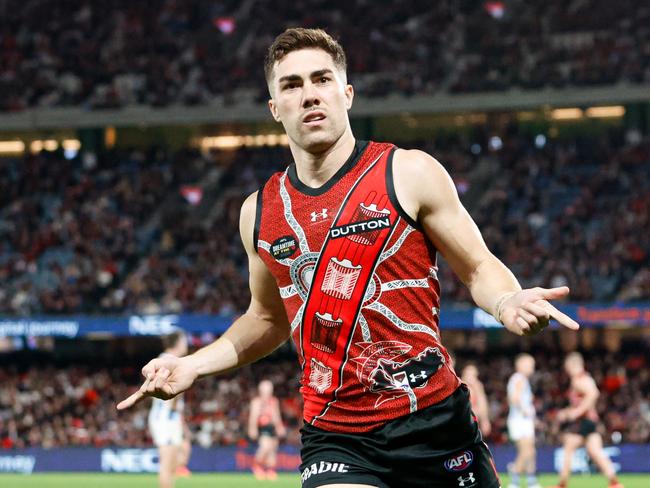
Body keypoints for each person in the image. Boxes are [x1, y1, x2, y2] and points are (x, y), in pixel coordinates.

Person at [118, 28, 580, 488]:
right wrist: (192, 365)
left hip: (436, 424)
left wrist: (505, 302)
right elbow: (266, 318)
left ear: (347, 93)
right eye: (291, 85)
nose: (309, 95)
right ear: (275, 108)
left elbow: (477, 266)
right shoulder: (259, 212)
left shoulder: (408, 172)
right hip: (336, 437)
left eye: (321, 79)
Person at [550, 353, 623, 488]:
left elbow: (593, 394)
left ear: (573, 365)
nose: (567, 371)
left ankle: (561, 485)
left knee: (569, 448)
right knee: (595, 452)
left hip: (584, 421)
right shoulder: (583, 379)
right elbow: (581, 401)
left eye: (567, 367)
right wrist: (567, 412)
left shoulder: (580, 380)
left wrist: (577, 412)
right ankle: (615, 483)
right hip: (589, 421)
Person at [147, 331, 191, 488]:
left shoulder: (170, 360)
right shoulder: (166, 361)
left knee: (175, 463)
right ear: (178, 343)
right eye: (185, 341)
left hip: (171, 417)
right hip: (164, 417)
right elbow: (170, 391)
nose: (187, 345)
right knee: (167, 464)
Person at [506, 354, 540, 488]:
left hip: (523, 420)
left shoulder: (520, 379)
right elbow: (514, 398)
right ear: (520, 365)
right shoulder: (519, 378)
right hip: (519, 420)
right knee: (526, 451)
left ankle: (532, 481)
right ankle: (514, 477)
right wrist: (525, 409)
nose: (532, 368)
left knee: (531, 450)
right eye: (530, 365)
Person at [248, 379, 287, 480]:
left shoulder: (274, 401)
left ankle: (270, 470)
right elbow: (253, 417)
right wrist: (252, 429)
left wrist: (279, 427)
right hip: (262, 427)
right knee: (265, 447)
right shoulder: (256, 402)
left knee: (272, 450)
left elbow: (276, 415)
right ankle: (256, 466)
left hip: (272, 427)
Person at [461, 364, 491, 438]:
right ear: (463, 374)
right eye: (469, 374)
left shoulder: (477, 386)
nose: (471, 378)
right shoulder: (459, 386)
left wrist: (485, 420)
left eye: (473, 375)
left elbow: (482, 403)